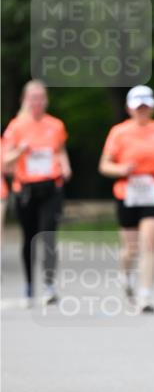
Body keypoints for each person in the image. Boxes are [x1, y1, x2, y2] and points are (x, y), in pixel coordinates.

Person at [99, 85, 154, 314]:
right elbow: (104, 165)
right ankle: (126, 274)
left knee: (149, 242)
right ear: (129, 109)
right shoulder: (119, 132)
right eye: (138, 107)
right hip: (127, 191)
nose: (142, 111)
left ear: (152, 107)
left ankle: (145, 295)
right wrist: (122, 168)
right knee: (131, 248)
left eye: (146, 106)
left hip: (153, 189)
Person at [2, 80, 71, 304]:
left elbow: (60, 150)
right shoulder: (16, 127)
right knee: (29, 238)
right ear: (25, 100)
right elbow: (5, 161)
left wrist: (66, 166)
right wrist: (20, 151)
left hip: (51, 187)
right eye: (33, 97)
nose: (37, 102)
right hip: (26, 189)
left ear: (46, 100)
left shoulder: (56, 125)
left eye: (41, 97)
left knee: (48, 235)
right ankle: (30, 285)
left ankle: (49, 285)